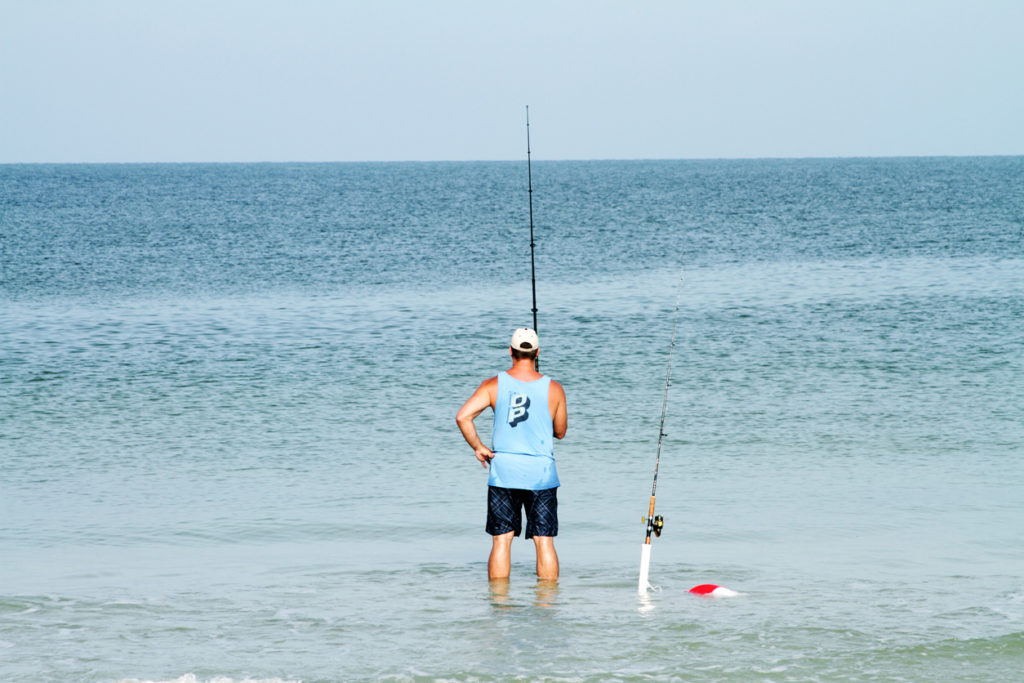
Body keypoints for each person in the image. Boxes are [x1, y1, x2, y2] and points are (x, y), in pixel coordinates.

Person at [455, 327, 568, 581]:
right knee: (544, 541)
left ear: (511, 352)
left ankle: (499, 605)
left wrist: (478, 447)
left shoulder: (493, 385)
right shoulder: (555, 389)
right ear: (537, 353)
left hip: (504, 473)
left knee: (502, 541)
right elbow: (560, 432)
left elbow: (463, 417)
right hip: (541, 475)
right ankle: (547, 605)